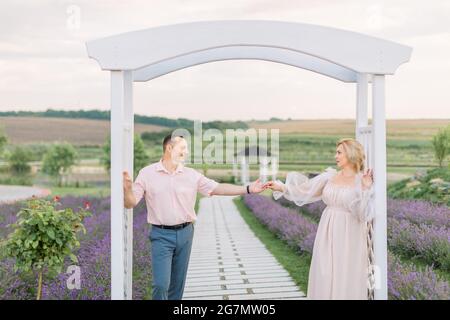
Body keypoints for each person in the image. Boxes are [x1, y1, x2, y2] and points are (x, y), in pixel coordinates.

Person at [122, 134, 268, 300]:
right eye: (183, 148)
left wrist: (248, 189)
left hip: (186, 233)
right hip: (161, 235)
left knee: (177, 286)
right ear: (169, 148)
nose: (187, 152)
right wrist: (127, 189)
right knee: (161, 284)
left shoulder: (191, 175)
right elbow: (130, 203)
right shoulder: (147, 173)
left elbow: (218, 188)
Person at [265, 138, 375, 299]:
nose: (335, 156)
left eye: (339, 152)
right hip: (328, 229)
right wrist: (282, 187)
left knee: (346, 271)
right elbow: (303, 191)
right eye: (336, 152)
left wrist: (365, 188)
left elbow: (363, 213)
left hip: (350, 232)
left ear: (351, 154)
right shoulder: (329, 177)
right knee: (325, 272)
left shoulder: (362, 180)